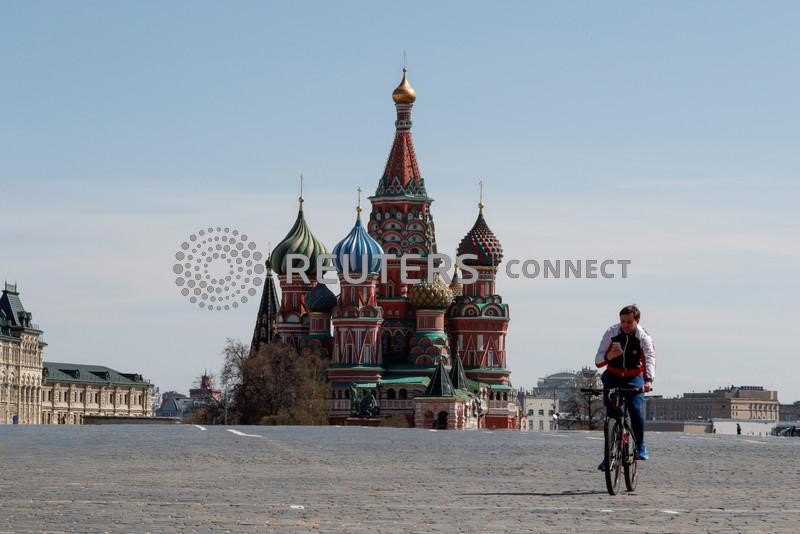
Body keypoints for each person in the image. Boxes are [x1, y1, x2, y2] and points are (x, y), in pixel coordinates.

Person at [595, 305, 656, 469]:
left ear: (637, 321)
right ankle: (609, 456)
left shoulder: (643, 338)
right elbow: (598, 360)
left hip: (633, 377)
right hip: (612, 376)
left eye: (629, 322)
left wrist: (648, 381)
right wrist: (609, 356)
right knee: (611, 414)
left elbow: (650, 359)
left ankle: (640, 445)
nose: (625, 325)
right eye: (622, 321)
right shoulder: (611, 333)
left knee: (635, 409)